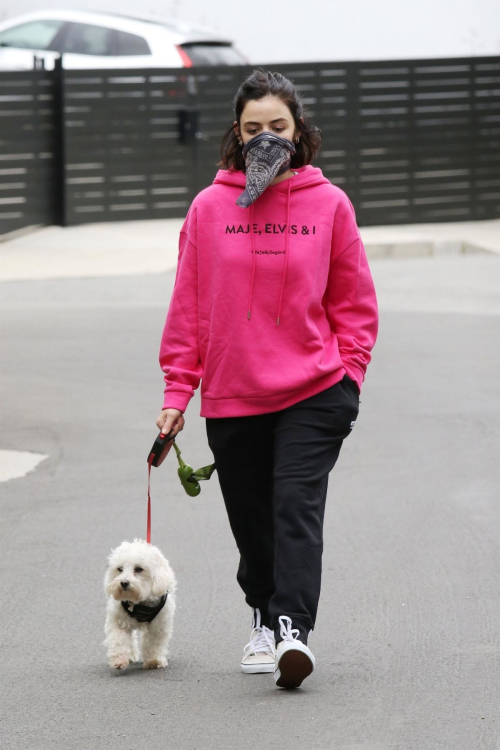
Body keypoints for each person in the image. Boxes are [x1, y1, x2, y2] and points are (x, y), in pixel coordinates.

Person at [156, 67, 379, 689]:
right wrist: (179, 392)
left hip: (314, 388)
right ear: (236, 133)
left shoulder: (329, 203)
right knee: (252, 522)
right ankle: (262, 611)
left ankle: (291, 632)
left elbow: (354, 302)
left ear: (298, 130)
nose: (265, 140)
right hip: (234, 392)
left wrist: (349, 376)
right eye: (253, 129)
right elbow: (190, 306)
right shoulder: (208, 207)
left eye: (277, 127)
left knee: (294, 508)